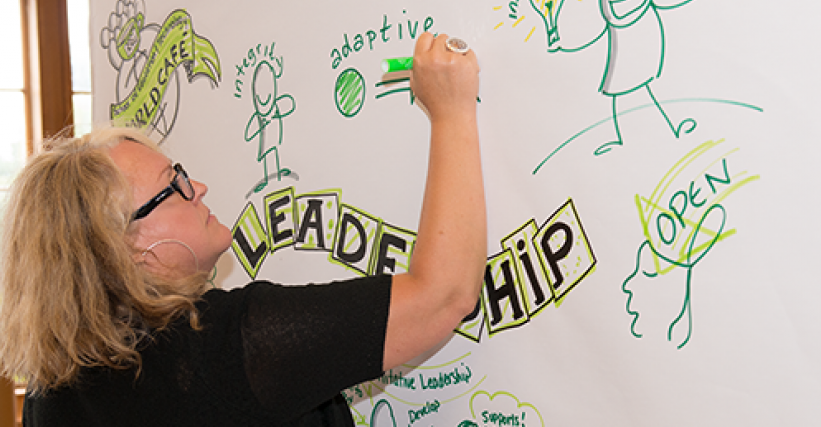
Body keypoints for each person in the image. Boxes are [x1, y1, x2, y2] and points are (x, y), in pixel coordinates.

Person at [0, 32, 486, 426]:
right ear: (129, 248)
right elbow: (443, 296)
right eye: (176, 184)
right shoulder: (223, 347)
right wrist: (452, 110)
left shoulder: (52, 393)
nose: (201, 187)